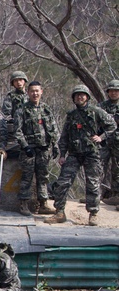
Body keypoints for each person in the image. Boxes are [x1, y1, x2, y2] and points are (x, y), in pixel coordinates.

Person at [45, 85, 117, 226]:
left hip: (92, 153)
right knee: (63, 182)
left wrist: (102, 137)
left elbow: (112, 125)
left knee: (93, 184)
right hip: (74, 154)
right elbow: (65, 136)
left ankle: (93, 213)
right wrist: (62, 154)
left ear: (87, 97)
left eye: (82, 95)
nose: (80, 97)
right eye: (77, 95)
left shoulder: (96, 111)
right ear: (74, 98)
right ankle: (59, 212)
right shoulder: (71, 115)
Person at [12, 81, 58, 216]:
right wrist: (25, 146)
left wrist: (54, 145)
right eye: (32, 91)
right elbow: (17, 131)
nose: (35, 94)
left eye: (37, 91)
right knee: (27, 176)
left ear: (41, 92)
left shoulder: (46, 109)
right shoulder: (22, 110)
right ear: (28, 92)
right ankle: (23, 204)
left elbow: (53, 129)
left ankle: (43, 203)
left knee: (43, 176)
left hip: (44, 149)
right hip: (29, 150)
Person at [100, 79, 119, 206]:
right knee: (99, 167)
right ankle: (95, 194)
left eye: (116, 91)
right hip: (104, 142)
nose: (113, 93)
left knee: (117, 168)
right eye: (111, 91)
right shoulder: (101, 107)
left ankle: (116, 195)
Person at [2, 70, 28, 151]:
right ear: (13, 83)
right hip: (16, 130)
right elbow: (6, 114)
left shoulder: (30, 95)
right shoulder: (10, 96)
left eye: (20, 80)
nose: (18, 82)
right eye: (16, 80)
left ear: (24, 81)